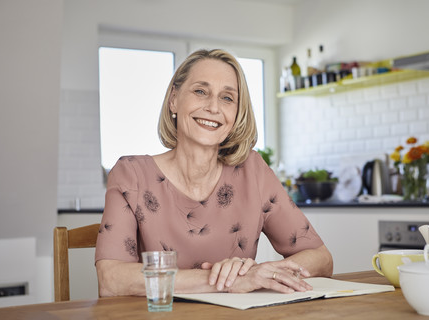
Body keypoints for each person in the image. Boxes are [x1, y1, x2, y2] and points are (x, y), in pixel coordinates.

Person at [95, 49, 333, 296]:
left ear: (237, 113)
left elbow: (321, 259)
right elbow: (111, 280)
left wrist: (263, 274)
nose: (213, 107)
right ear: (174, 99)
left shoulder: (253, 171)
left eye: (227, 98)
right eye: (200, 91)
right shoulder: (131, 174)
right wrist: (226, 281)